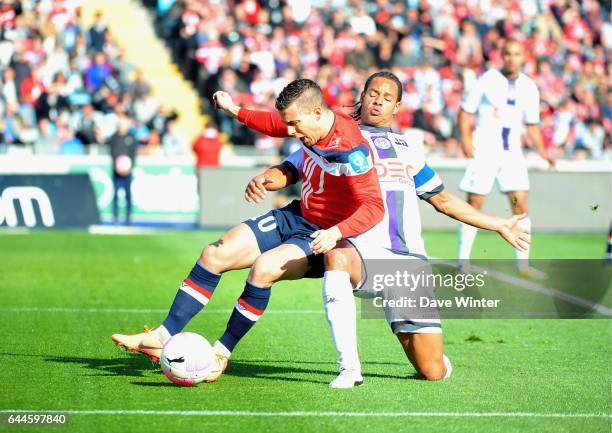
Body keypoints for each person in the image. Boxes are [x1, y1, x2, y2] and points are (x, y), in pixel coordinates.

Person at [228, 71, 531, 387]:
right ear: (363, 94)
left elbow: (442, 200)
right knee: (337, 255)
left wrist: (498, 224)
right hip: (360, 252)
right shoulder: (332, 134)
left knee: (431, 370)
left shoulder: (408, 148)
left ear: (397, 107)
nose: (378, 102)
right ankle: (349, 370)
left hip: (408, 263)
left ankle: (424, 346)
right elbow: (290, 154)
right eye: (373, 93)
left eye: (387, 98)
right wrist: (264, 169)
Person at [111, 79, 384, 383]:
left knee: (263, 268)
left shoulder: (351, 149)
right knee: (216, 253)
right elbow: (273, 124)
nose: (290, 131)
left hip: (325, 235)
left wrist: (336, 232)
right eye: (289, 123)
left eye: (294, 124)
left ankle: (221, 353)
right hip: (297, 215)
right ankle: (162, 335)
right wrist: (233, 109)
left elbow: (375, 206)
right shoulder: (307, 123)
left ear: (317, 112)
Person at [457, 39, 555, 277]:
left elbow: (532, 125)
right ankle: (463, 262)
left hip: (512, 152)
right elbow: (465, 110)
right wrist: (466, 140)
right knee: (474, 204)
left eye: (517, 54)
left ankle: (523, 265)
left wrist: (544, 152)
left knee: (519, 205)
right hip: (485, 150)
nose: (512, 58)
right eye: (508, 54)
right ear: (502, 56)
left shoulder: (529, 87)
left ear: (524, 57)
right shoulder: (488, 79)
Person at [109, 114, 137, 225]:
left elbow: (133, 154)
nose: (122, 127)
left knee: (128, 194)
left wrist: (130, 167)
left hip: (128, 172)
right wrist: (117, 166)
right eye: (120, 125)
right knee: (115, 193)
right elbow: (112, 153)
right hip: (117, 171)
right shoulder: (114, 137)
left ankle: (128, 216)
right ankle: (115, 216)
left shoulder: (131, 138)